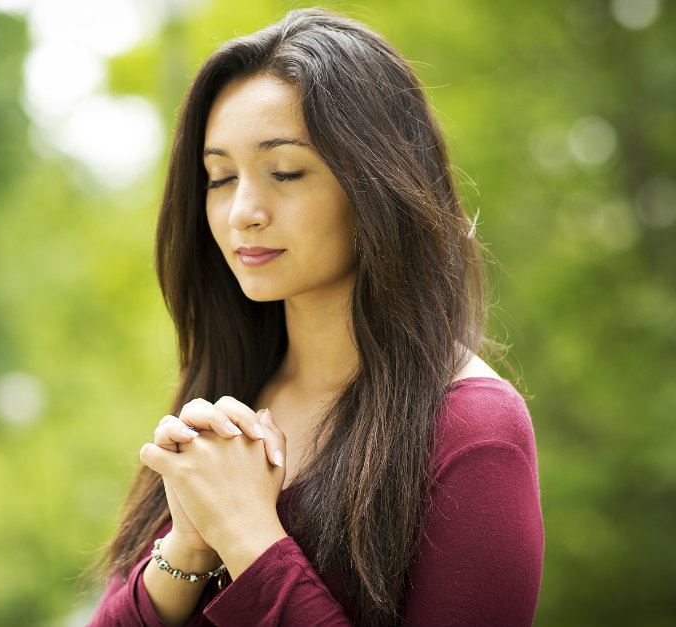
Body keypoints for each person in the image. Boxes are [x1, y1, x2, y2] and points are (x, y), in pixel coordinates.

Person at [82, 6, 543, 626]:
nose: (243, 210)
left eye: (286, 172)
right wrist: (187, 547)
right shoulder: (226, 398)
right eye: (219, 177)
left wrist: (248, 537)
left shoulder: (472, 429)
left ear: (379, 184)